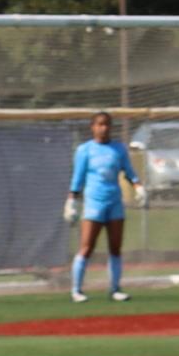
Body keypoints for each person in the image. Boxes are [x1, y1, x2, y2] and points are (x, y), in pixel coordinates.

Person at [65, 111, 144, 303]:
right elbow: (78, 177)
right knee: (87, 246)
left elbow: (129, 172)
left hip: (114, 202)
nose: (104, 128)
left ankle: (115, 289)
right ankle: (77, 290)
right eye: (99, 124)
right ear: (92, 127)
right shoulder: (85, 150)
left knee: (115, 247)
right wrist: (72, 201)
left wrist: (139, 187)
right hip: (94, 203)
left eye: (107, 124)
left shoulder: (118, 149)